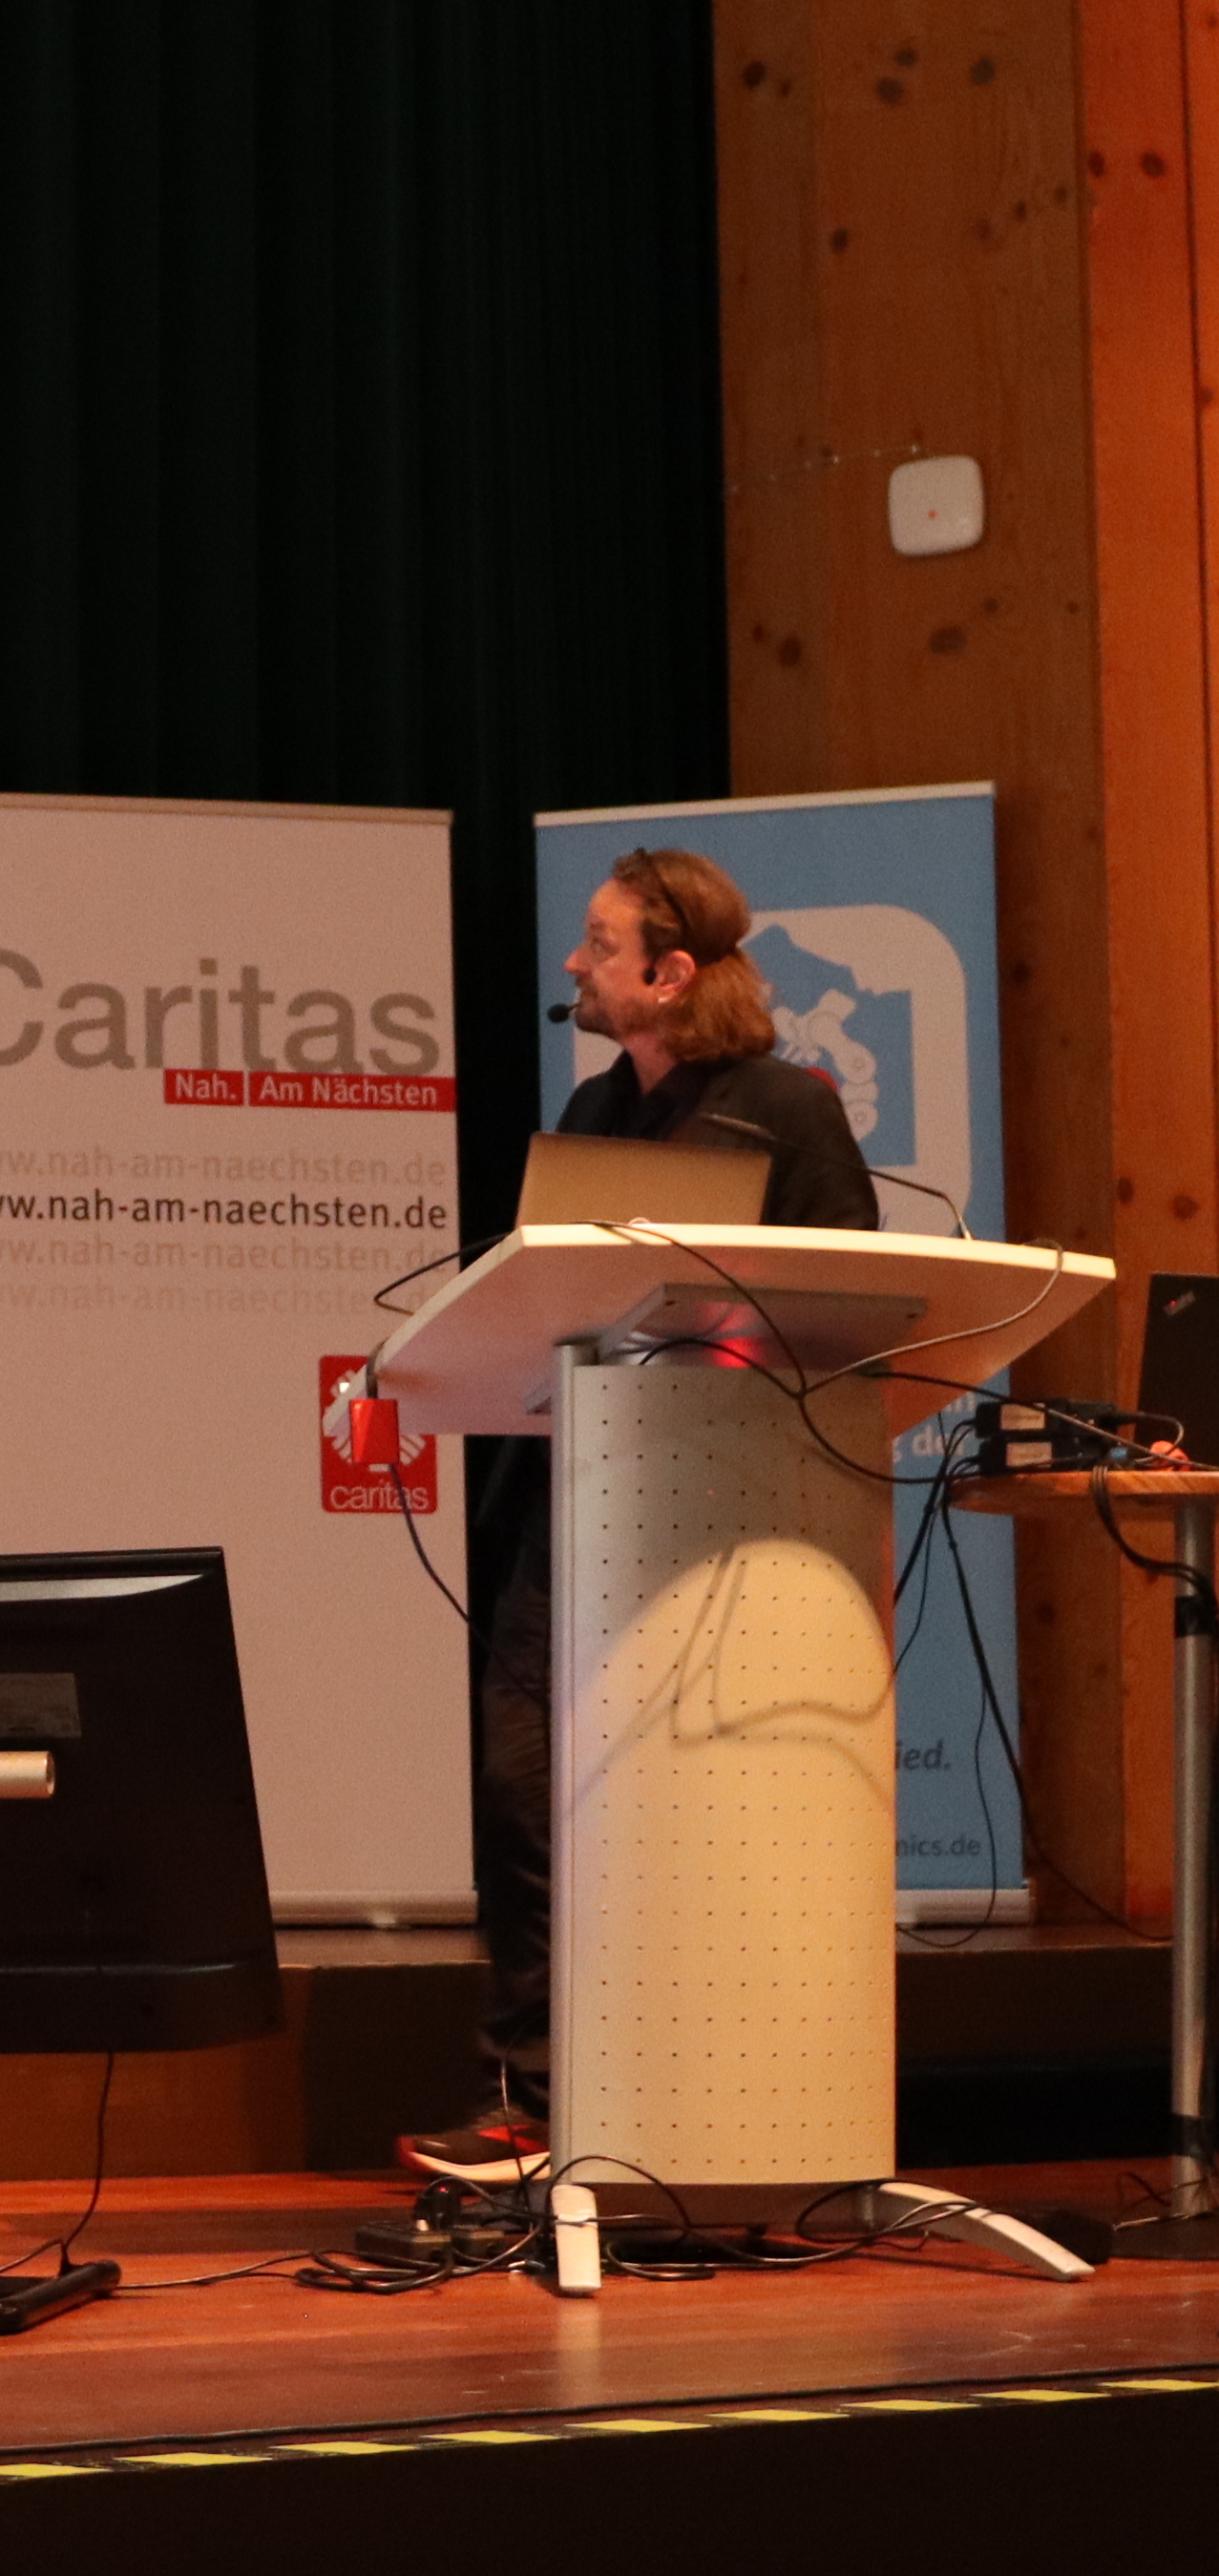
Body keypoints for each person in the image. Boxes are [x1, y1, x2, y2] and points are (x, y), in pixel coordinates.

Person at [402, 846, 877, 2182]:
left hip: (718, 1524)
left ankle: (677, 2099)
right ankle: (528, 2099)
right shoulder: (595, 1110)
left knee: (675, 1811)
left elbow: (852, 1309)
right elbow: (541, 1308)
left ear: (667, 974)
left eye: (597, 946)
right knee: (520, 1786)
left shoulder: (784, 1108)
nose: (573, 964)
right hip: (567, 1508)